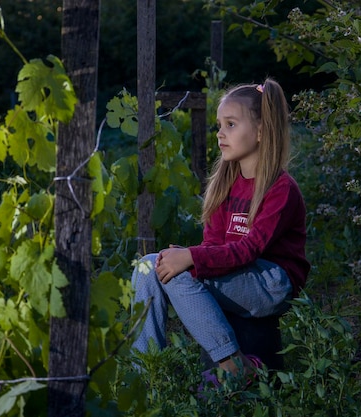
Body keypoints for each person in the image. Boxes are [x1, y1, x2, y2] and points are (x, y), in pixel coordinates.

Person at [131, 77, 310, 384]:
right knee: (149, 267)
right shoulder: (225, 184)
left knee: (180, 271)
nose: (219, 134)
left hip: (271, 282)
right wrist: (188, 256)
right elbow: (213, 243)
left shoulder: (280, 188)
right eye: (218, 125)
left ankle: (232, 364)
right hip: (238, 277)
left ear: (260, 131)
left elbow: (250, 249)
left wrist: (191, 258)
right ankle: (147, 376)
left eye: (230, 125)